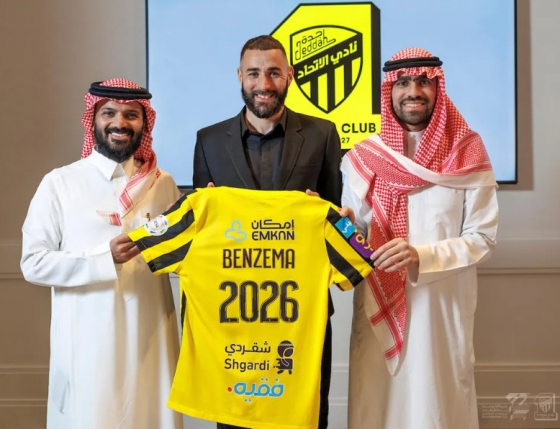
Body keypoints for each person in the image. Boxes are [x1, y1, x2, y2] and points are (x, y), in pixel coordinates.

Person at [341, 48, 499, 429]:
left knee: (436, 408)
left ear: (437, 88)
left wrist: (420, 256)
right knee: (377, 408)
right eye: (403, 82)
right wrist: (337, 226)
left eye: (423, 82)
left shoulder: (468, 152)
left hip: (440, 314)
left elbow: (482, 237)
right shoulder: (364, 157)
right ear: (389, 90)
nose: (413, 91)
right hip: (377, 312)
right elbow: (355, 233)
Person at [193, 35, 342, 429]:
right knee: (235, 417)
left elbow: (336, 218)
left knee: (306, 415)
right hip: (234, 313)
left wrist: (326, 214)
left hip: (302, 312)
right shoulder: (208, 141)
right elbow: (201, 234)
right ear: (239, 76)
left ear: (289, 75)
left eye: (274, 73)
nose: (264, 84)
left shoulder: (323, 134)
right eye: (254, 73)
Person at [20, 78, 183, 429]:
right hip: (86, 352)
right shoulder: (60, 183)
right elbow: (33, 263)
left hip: (150, 348)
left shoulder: (163, 184)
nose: (119, 123)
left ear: (145, 123)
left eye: (131, 115)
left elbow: (181, 256)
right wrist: (102, 258)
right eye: (109, 113)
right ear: (93, 119)